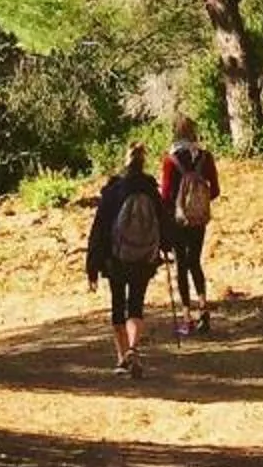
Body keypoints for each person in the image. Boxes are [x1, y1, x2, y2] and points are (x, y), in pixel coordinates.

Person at [85, 141, 167, 375]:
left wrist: (92, 266)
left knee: (118, 304)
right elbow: (164, 222)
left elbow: (99, 229)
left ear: (126, 160)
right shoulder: (150, 189)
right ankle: (134, 348)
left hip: (116, 259)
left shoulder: (114, 191)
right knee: (136, 305)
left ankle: (122, 357)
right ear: (143, 162)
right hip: (144, 258)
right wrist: (168, 248)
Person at [161, 114, 221, 334]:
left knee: (181, 266)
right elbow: (214, 191)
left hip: (177, 220)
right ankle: (204, 310)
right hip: (199, 219)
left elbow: (166, 194)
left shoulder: (170, 160)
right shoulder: (205, 157)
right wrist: (198, 200)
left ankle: (186, 318)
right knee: (195, 261)